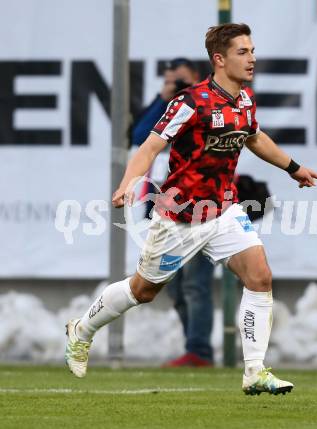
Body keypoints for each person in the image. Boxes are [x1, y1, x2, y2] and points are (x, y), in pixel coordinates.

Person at [65, 23, 317, 395]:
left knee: (260, 277)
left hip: (223, 210)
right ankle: (82, 329)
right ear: (219, 59)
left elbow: (254, 136)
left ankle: (254, 371)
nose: (252, 58)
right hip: (181, 217)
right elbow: (151, 146)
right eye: (242, 52)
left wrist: (293, 168)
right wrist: (128, 183)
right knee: (143, 291)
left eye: (252, 51)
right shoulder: (191, 102)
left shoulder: (245, 100)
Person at [132, 58, 215, 367]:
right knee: (175, 286)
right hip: (165, 209)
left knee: (196, 284)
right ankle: (194, 348)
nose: (178, 86)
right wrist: (163, 98)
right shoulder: (168, 108)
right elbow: (140, 136)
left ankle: (199, 350)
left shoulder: (206, 106)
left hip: (200, 208)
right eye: (171, 80)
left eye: (182, 81)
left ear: (197, 78)